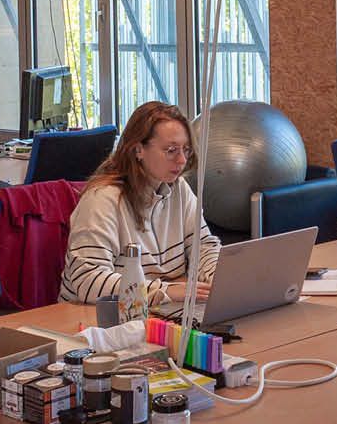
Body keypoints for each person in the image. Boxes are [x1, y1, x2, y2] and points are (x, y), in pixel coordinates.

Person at [61, 101, 221, 306]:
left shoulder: (178, 188)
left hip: (155, 308)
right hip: (95, 313)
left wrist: (218, 277)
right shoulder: (102, 199)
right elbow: (88, 282)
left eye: (186, 150)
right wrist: (165, 291)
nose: (182, 160)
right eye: (171, 150)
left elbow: (203, 246)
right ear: (138, 150)